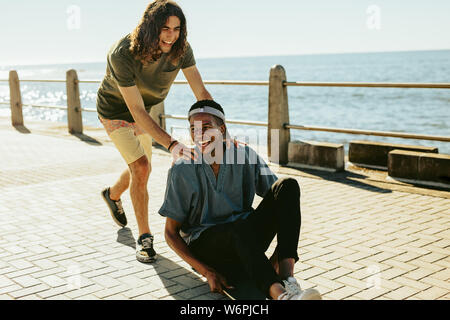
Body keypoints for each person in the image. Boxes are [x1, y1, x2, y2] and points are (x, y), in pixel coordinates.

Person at [159, 100, 322, 300]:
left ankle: (287, 277)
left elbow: (279, 200)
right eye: (194, 128)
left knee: (287, 186)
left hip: (245, 238)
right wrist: (206, 271)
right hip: (207, 246)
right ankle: (281, 296)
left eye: (207, 127)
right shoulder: (182, 168)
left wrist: (279, 251)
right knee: (237, 227)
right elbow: (170, 233)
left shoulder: (243, 154)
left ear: (222, 129)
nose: (200, 134)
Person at [96, 0, 212, 263]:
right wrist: (172, 144)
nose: (171, 35)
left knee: (140, 166)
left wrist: (220, 131)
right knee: (142, 167)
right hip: (116, 112)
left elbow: (201, 93)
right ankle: (144, 239)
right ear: (150, 27)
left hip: (145, 111)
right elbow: (135, 111)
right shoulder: (122, 53)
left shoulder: (181, 49)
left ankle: (112, 195)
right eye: (164, 28)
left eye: (177, 28)